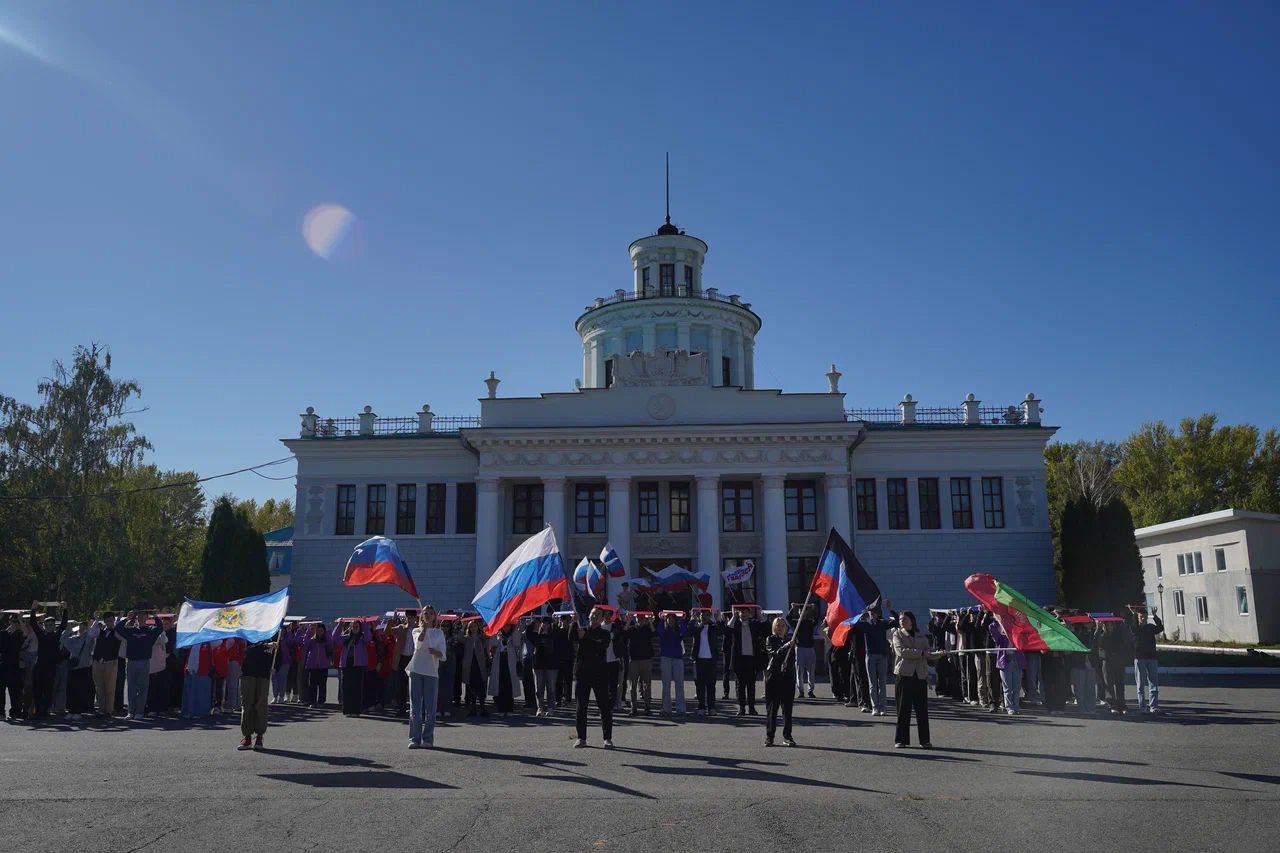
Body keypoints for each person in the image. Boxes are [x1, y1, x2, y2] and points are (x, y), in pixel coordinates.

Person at [890, 611, 935, 748]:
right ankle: (901, 740)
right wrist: (921, 653)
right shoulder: (897, 634)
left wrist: (936, 654)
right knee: (903, 708)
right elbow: (901, 651)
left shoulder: (921, 635)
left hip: (920, 675)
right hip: (904, 674)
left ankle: (925, 740)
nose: (902, 621)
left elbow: (928, 651)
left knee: (922, 709)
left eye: (905, 619)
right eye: (900, 619)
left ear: (912, 620)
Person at [405, 605, 447, 748]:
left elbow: (443, 656)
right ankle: (415, 738)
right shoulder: (416, 630)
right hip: (416, 670)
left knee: (430, 708)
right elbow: (418, 645)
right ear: (421, 616)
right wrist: (423, 629)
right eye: (425, 613)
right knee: (415, 707)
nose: (428, 615)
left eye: (430, 613)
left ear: (434, 616)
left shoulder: (439, 633)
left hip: (431, 673)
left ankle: (427, 738)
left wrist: (435, 652)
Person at [572, 608, 614, 748]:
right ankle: (581, 738)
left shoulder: (605, 633)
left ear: (602, 619)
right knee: (581, 708)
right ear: (588, 616)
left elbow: (600, 646)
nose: (594, 616)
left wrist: (586, 638)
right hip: (582, 674)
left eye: (598, 615)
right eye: (592, 613)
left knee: (604, 707)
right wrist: (573, 623)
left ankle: (607, 738)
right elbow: (571, 638)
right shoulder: (581, 629)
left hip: (599, 674)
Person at [114, 611, 164, 721]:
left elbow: (160, 628)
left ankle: (140, 712)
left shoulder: (150, 630)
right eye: (139, 615)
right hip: (131, 661)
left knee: (142, 688)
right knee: (131, 687)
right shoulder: (131, 630)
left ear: (147, 617)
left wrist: (155, 616)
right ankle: (131, 711)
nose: (141, 617)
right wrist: (128, 618)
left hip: (144, 662)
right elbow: (117, 629)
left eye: (143, 615)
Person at [28, 605, 68, 720]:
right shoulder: (41, 635)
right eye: (47, 625)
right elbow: (33, 623)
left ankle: (44, 711)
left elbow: (64, 624)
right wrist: (34, 609)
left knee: (48, 691)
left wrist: (65, 609)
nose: (49, 627)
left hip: (50, 668)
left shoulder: (56, 635)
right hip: (39, 667)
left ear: (53, 626)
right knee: (37, 691)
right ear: (44, 626)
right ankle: (37, 711)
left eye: (51, 625)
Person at [855, 602, 894, 716]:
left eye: (874, 612)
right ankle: (875, 707)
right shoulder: (865, 625)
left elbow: (896, 622)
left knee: (882, 683)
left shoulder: (882, 623)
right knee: (872, 684)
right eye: (871, 612)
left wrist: (891, 610)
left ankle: (883, 707)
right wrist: (861, 613)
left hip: (882, 656)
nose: (872, 614)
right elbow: (854, 624)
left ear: (878, 614)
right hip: (870, 656)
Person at [762, 617, 797, 747]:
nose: (780, 627)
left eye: (783, 625)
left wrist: (790, 645)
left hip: (787, 678)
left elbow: (792, 660)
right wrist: (786, 646)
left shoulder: (790, 640)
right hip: (773, 678)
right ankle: (769, 736)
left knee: (787, 710)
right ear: (774, 627)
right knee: (772, 709)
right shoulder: (770, 639)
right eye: (778, 625)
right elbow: (775, 655)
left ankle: (787, 736)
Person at [238, 637, 275, 750]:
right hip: (248, 673)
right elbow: (248, 649)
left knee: (261, 705)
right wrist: (267, 646)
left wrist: (276, 666)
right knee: (247, 704)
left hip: (264, 674)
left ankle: (259, 736)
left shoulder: (273, 632)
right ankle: (247, 737)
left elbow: (278, 652)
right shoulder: (247, 633)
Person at [61, 619, 97, 722]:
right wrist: (69, 628)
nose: (81, 629)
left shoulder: (88, 639)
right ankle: (71, 711)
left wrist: (90, 628)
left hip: (83, 668)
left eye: (84, 627)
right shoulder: (74, 639)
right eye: (80, 627)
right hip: (73, 668)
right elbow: (63, 640)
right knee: (71, 690)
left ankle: (78, 712)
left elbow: (91, 639)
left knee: (80, 691)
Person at [656, 611, 690, 716]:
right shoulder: (664, 631)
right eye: (668, 619)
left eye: (672, 619)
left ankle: (681, 709)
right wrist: (661, 620)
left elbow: (685, 632)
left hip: (677, 658)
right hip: (666, 657)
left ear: (675, 620)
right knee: (666, 684)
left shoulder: (678, 630)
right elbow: (659, 632)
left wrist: (683, 620)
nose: (670, 620)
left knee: (679, 684)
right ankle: (666, 709)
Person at [690, 610, 723, 716]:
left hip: (710, 660)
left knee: (711, 685)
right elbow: (688, 631)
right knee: (699, 685)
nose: (704, 617)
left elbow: (722, 631)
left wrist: (718, 619)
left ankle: (711, 707)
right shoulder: (697, 627)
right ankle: (701, 707)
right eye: (702, 615)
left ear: (710, 616)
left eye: (706, 615)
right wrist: (692, 618)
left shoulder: (713, 627)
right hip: (699, 660)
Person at [1098, 620, 1133, 714]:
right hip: (1107, 660)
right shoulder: (1101, 635)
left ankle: (1122, 705)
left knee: (1120, 684)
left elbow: (1127, 640)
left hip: (1118, 660)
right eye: (1107, 625)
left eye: (1111, 625)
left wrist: (1124, 626)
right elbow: (1099, 644)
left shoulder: (1119, 633)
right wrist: (1103, 632)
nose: (1110, 627)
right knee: (1108, 684)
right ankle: (1112, 705)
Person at [989, 618, 1024, 716]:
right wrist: (1000, 620)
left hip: (1017, 660)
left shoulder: (1017, 630)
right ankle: (1009, 707)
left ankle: (1016, 706)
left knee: (1017, 687)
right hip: (1005, 661)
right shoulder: (1000, 632)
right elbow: (992, 628)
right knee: (1008, 688)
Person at [1132, 608, 1164, 714]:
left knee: (1153, 683)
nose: (1143, 618)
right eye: (1141, 616)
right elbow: (1132, 627)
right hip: (1139, 658)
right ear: (1138, 617)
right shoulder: (1135, 628)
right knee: (1140, 684)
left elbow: (1160, 628)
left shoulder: (1150, 627)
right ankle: (1142, 706)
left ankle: (1153, 706)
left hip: (1152, 658)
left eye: (1145, 616)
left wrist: (1155, 616)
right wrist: (1133, 614)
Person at [489, 624, 522, 716]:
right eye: (504, 626)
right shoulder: (498, 634)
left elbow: (517, 643)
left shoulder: (513, 634)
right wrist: (495, 631)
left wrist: (515, 630)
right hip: (499, 663)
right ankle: (501, 709)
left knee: (510, 686)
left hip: (510, 663)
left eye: (508, 626)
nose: (506, 628)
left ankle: (509, 709)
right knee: (500, 686)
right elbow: (493, 642)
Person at [625, 613, 655, 716]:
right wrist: (628, 621)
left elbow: (654, 633)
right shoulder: (632, 629)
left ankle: (647, 707)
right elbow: (624, 633)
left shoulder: (647, 628)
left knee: (647, 685)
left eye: (642, 618)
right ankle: (634, 708)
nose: (640, 620)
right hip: (634, 660)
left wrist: (650, 622)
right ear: (636, 618)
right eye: (639, 618)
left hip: (646, 659)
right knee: (632, 685)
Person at [787, 602, 818, 699]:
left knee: (811, 671)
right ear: (799, 612)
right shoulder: (796, 622)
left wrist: (813, 609)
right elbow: (788, 618)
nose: (803, 613)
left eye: (805, 611)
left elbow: (817, 620)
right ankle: (801, 691)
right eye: (801, 611)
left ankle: (810, 690)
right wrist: (793, 608)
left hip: (810, 648)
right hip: (800, 648)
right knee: (799, 671)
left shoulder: (810, 622)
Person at [460, 619, 490, 718]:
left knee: (481, 687)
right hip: (469, 665)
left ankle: (482, 707)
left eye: (475, 626)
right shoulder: (466, 638)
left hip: (479, 665)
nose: (473, 628)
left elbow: (489, 638)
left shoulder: (482, 638)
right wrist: (462, 626)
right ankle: (472, 707)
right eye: (471, 627)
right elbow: (459, 636)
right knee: (471, 687)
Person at [531, 617, 558, 716]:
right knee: (539, 689)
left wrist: (555, 624)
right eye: (543, 623)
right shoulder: (537, 635)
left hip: (551, 666)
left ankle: (551, 708)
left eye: (547, 623)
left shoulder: (554, 635)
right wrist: (533, 622)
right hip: (538, 666)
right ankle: (540, 708)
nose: (545, 625)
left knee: (551, 688)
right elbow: (529, 634)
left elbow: (559, 634)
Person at [302, 622, 331, 708]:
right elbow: (305, 643)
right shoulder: (312, 640)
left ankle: (321, 701)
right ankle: (312, 701)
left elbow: (331, 642)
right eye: (318, 630)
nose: (319, 632)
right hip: (313, 666)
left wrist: (328, 631)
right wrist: (309, 630)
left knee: (322, 685)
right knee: (313, 685)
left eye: (321, 630)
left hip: (323, 666)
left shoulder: (326, 640)